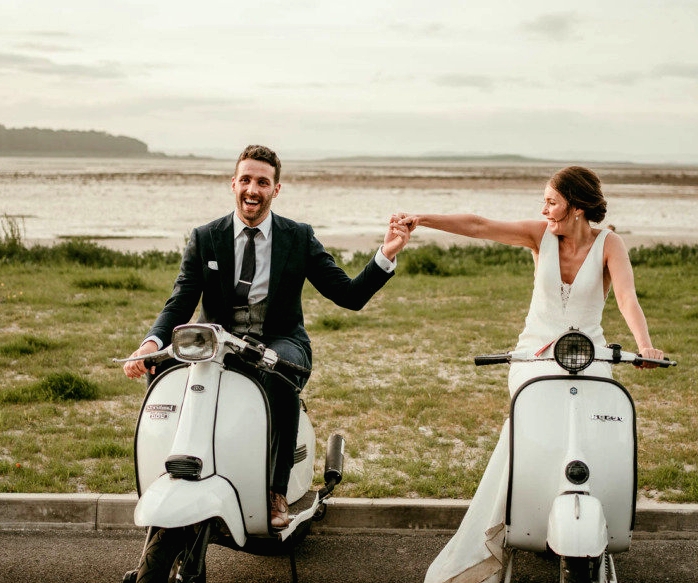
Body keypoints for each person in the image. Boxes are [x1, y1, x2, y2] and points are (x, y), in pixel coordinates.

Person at [398, 165, 665, 583]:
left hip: (588, 354)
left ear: (576, 208)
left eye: (551, 201)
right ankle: (517, 521)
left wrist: (645, 344)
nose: (544, 208)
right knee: (527, 430)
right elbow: (480, 224)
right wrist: (423, 219)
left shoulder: (611, 244)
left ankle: (586, 513)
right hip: (535, 356)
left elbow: (628, 299)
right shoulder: (539, 234)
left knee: (595, 429)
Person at [123, 144, 411, 528]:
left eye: (262, 182)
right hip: (217, 344)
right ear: (233, 184)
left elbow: (350, 295)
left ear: (276, 189)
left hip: (280, 340)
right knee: (161, 370)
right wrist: (150, 344)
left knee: (278, 375)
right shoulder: (206, 237)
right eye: (246, 180)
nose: (252, 189)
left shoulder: (298, 237)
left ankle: (275, 491)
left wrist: (386, 253)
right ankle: (171, 472)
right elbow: (180, 302)